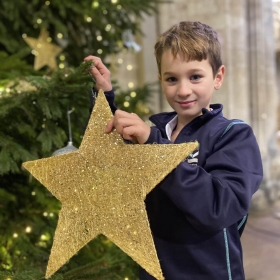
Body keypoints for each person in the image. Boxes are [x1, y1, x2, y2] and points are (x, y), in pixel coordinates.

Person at [84, 21, 263, 280]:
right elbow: (110, 152)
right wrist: (104, 97)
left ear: (218, 77)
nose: (183, 90)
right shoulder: (156, 134)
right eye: (171, 79)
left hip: (208, 273)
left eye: (195, 76)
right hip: (155, 269)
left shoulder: (233, 135)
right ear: (161, 80)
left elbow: (216, 208)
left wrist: (155, 147)